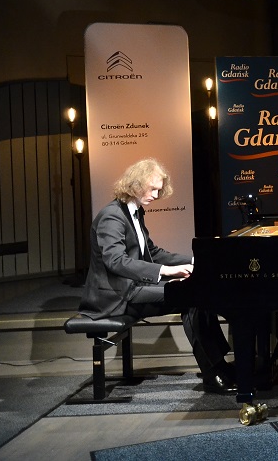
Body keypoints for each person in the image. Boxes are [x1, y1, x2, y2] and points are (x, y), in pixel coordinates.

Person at [79, 157, 237, 393]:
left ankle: (218, 365)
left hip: (133, 288)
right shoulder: (112, 216)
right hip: (115, 296)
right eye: (152, 189)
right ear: (135, 184)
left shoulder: (134, 213)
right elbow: (115, 261)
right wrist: (166, 271)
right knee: (192, 297)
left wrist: (197, 261)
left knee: (197, 293)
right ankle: (213, 372)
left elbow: (152, 252)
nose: (156, 195)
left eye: (158, 190)